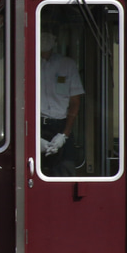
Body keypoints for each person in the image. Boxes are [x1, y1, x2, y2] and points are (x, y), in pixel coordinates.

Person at [39, 32, 83, 175]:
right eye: (42, 34)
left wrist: (64, 135)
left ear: (55, 39)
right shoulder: (27, 62)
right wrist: (33, 137)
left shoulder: (67, 64)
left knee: (66, 171)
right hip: (35, 124)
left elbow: (75, 101)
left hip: (61, 125)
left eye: (48, 35)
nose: (45, 38)